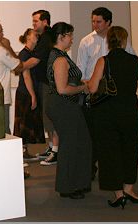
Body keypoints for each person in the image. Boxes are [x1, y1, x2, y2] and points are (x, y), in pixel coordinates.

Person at [85, 26, 138, 209]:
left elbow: (93, 88)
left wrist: (87, 83)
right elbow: (137, 83)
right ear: (124, 41)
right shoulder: (136, 61)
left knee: (111, 152)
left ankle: (118, 194)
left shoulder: (104, 61)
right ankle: (129, 188)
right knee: (130, 148)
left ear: (108, 42)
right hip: (130, 111)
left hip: (108, 113)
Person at [76, 7, 136, 179]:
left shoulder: (122, 42)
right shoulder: (86, 41)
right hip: (93, 93)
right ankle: (92, 168)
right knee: (92, 134)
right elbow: (81, 69)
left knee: (111, 136)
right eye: (93, 21)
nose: (95, 24)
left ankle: (110, 170)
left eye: (99, 21)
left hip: (115, 97)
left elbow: (133, 62)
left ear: (108, 22)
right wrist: (88, 84)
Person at [46, 22, 91, 199]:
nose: (72, 39)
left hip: (63, 104)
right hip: (63, 105)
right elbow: (62, 89)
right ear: (61, 37)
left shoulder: (58, 56)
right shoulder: (60, 59)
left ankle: (71, 184)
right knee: (73, 144)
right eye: (70, 36)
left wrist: (81, 85)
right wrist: (83, 87)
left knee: (76, 142)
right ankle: (69, 186)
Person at [0, 19, 35, 134]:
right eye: (1, 30)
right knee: (4, 132)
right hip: (0, 99)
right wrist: (8, 47)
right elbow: (19, 67)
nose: (3, 34)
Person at [28, 10, 59, 166]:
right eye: (33, 21)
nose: (33, 24)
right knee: (46, 118)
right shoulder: (43, 38)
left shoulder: (47, 37)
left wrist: (20, 66)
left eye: (36, 21)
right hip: (43, 83)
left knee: (50, 117)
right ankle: (52, 147)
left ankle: (56, 152)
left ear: (45, 22)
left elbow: (35, 60)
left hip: (48, 83)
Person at [14, 28, 45, 160]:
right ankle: (22, 151)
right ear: (28, 37)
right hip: (25, 93)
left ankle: (25, 150)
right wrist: (32, 95)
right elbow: (26, 76)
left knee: (29, 122)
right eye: (34, 34)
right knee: (23, 123)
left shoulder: (32, 54)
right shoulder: (24, 54)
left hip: (30, 92)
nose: (37, 36)